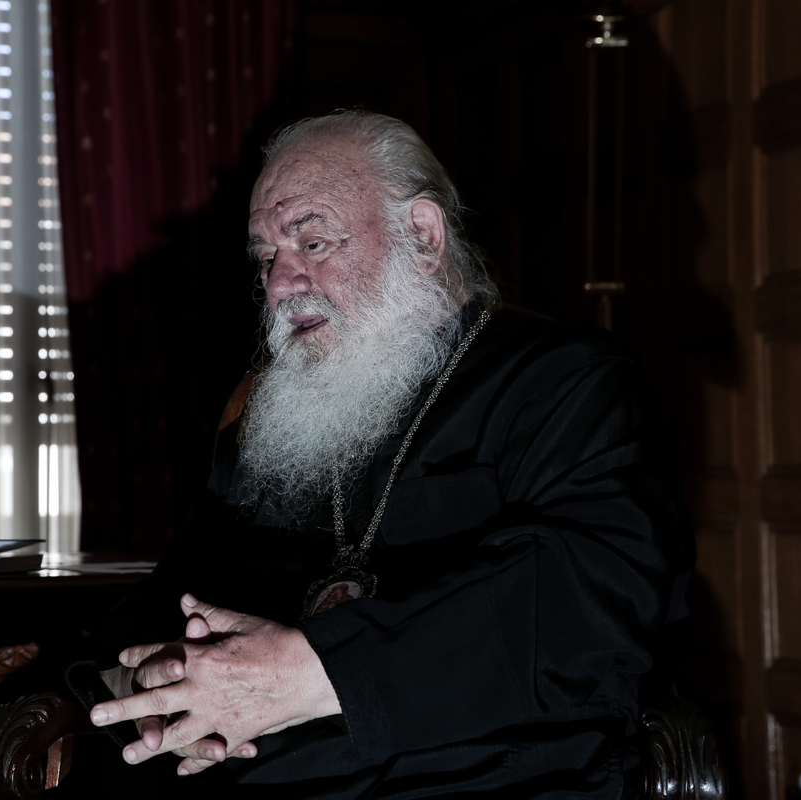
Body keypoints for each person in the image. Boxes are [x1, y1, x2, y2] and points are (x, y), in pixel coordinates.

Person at [66, 110, 692, 799]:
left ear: (422, 235)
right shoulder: (279, 414)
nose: (279, 283)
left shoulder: (567, 380)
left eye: (312, 241)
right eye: (267, 256)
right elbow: (177, 583)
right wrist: (154, 678)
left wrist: (312, 673)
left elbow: (589, 593)